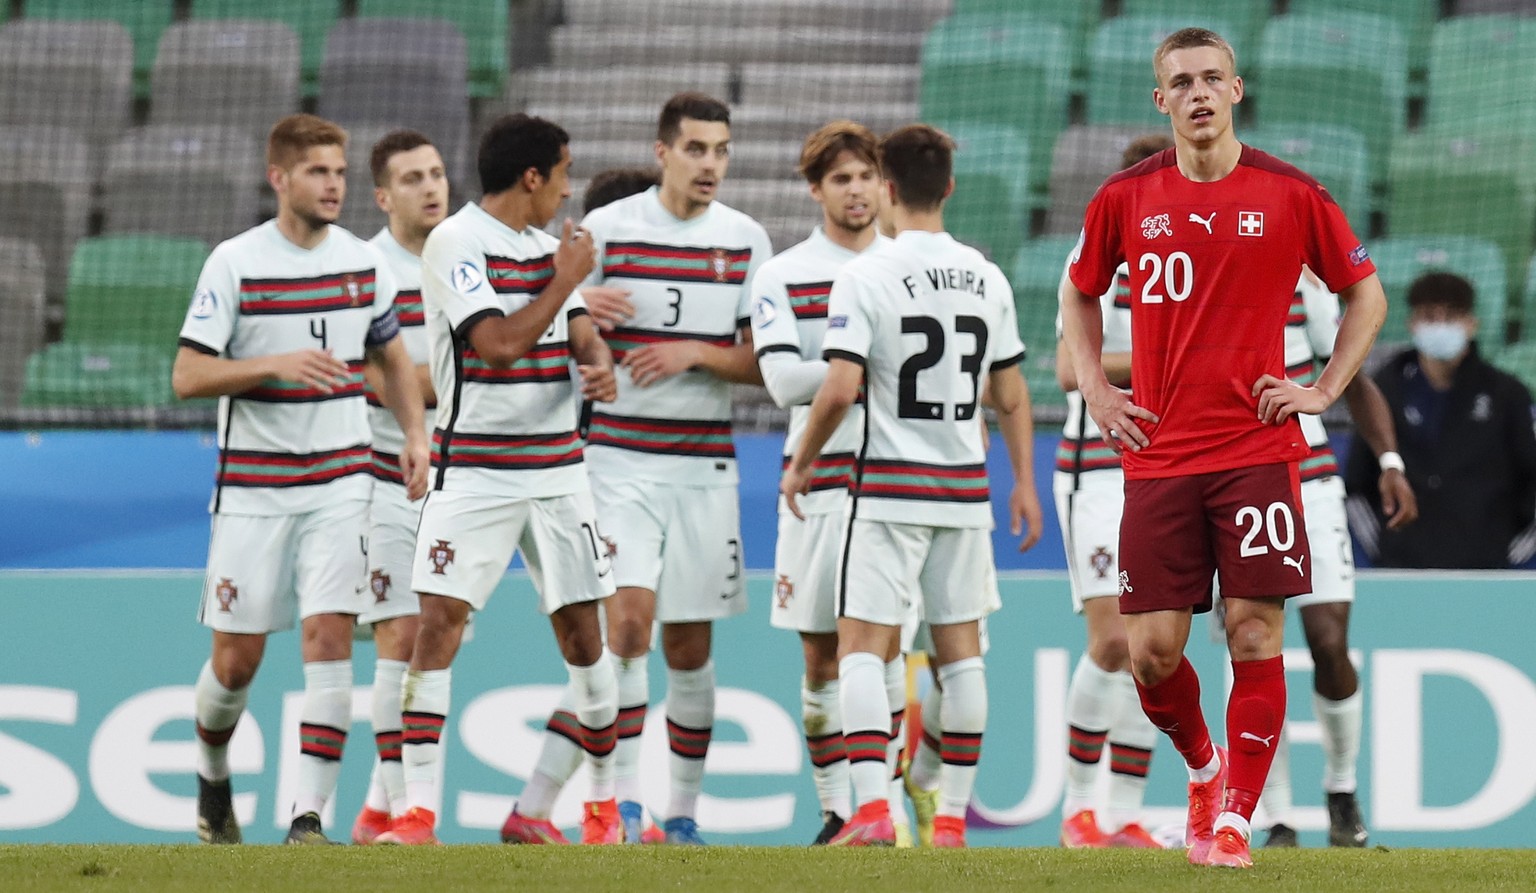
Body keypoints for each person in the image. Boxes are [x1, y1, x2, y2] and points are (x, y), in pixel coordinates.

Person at [1058, 28, 1387, 869]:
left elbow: (1366, 295)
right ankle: (1204, 769)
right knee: (1152, 652)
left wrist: (1321, 390)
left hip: (1256, 454)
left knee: (1253, 633)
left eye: (1213, 78)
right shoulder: (1126, 197)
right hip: (1159, 457)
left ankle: (1236, 820)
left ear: (1237, 91)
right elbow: (1078, 288)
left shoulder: (1290, 191)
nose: (1199, 93)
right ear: (1159, 100)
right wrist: (1096, 387)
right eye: (1182, 82)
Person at [784, 123, 1043, 848]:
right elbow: (1012, 392)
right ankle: (953, 817)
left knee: (863, 647)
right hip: (963, 491)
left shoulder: (864, 274)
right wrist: (1023, 481)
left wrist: (803, 459)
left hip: (887, 488)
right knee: (962, 654)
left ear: (888, 188)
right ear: (949, 187)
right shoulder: (986, 274)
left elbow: (838, 387)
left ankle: (872, 810)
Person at [174, 113, 430, 845]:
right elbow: (188, 373)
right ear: (278, 178)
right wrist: (271, 365)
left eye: (340, 173)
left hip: (344, 480)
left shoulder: (361, 262)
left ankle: (305, 819)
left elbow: (391, 359)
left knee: (327, 635)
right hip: (253, 489)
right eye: (318, 172)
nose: (332, 186)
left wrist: (414, 434)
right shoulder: (235, 262)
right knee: (237, 661)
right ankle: (212, 774)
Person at [375, 113, 621, 846]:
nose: (569, 189)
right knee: (436, 628)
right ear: (533, 177)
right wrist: (568, 278)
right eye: (565, 172)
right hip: (476, 465)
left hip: (557, 469)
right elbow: (500, 345)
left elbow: (577, 331)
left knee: (585, 639)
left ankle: (604, 814)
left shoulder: (548, 249)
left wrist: (598, 356)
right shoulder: (458, 241)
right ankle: (418, 815)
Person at [567, 92, 774, 846]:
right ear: (663, 153)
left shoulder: (747, 241)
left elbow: (766, 363)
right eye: (696, 149)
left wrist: (696, 352)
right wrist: (575, 306)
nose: (710, 163)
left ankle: (680, 814)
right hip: (616, 461)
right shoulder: (609, 230)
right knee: (626, 623)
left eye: (720, 150)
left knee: (689, 649)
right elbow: (535, 316)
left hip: (703, 467)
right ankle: (618, 805)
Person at [750, 120, 886, 845]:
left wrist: (843, 375)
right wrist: (861, 370)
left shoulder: (907, 265)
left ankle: (881, 808)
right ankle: (837, 808)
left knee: (886, 648)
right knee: (819, 651)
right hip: (819, 485)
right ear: (816, 190)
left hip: (898, 485)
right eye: (841, 179)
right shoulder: (782, 274)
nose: (856, 189)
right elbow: (779, 381)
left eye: (866, 175)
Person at [1255, 268, 1417, 850]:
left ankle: (1342, 790)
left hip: (1311, 478)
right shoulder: (1188, 264)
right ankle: (1275, 817)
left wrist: (1390, 461)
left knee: (1328, 641)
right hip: (1234, 484)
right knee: (1250, 645)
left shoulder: (1297, 280)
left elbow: (1351, 374)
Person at [1054, 134, 1172, 852]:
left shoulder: (1202, 254)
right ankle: (1076, 811)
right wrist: (1173, 355)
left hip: (1172, 472)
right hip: (1098, 471)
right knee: (1112, 640)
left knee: (1157, 648)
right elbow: (1071, 368)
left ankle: (1124, 813)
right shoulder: (1095, 250)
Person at [349, 129, 449, 845]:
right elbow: (356, 373)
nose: (431, 187)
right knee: (401, 634)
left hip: (464, 479)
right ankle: (408, 809)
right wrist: (440, 381)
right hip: (381, 473)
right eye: (412, 178)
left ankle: (379, 809)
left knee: (435, 643)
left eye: (438, 173)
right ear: (384, 196)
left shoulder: (469, 257)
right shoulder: (362, 267)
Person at [1345, 271, 1536, 569]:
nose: (1440, 325)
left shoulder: (1508, 395)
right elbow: (1357, 484)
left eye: (1451, 316)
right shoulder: (1385, 389)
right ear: (1412, 324)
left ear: (1472, 324)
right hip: (1401, 568)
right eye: (1429, 316)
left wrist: (1504, 557)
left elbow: (1530, 479)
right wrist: (1385, 548)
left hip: (1485, 571)